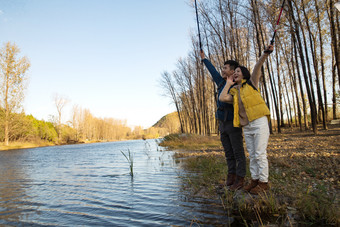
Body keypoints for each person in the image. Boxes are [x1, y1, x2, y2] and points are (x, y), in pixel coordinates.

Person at [219, 45, 274, 194]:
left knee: (259, 153)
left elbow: (257, 66)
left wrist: (265, 54)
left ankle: (263, 182)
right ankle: (254, 180)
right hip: (247, 126)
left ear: (243, 74)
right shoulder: (235, 92)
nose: (235, 73)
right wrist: (229, 83)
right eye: (234, 72)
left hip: (259, 121)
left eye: (237, 71)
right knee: (252, 154)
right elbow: (222, 97)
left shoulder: (252, 83)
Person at [200, 50, 246, 191]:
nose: (222, 70)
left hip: (233, 123)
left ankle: (240, 180)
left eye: (225, 68)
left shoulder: (237, 86)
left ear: (232, 71)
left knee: (238, 153)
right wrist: (204, 59)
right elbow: (212, 71)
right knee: (228, 153)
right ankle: (230, 179)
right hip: (222, 124)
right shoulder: (221, 83)